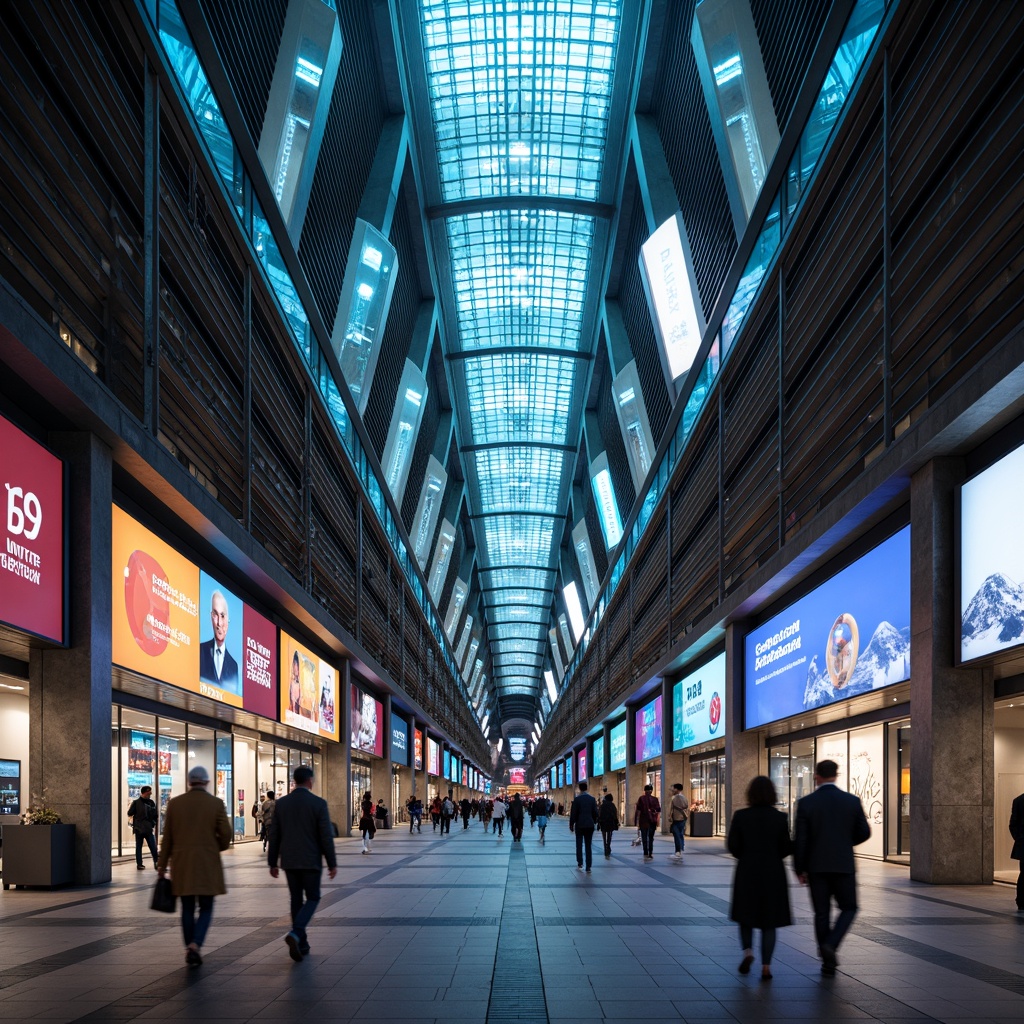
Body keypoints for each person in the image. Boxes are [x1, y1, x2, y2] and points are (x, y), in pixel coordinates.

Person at [793, 759, 871, 976]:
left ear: (816, 776)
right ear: (836, 775)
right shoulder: (851, 801)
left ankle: (827, 962)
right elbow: (864, 832)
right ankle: (831, 944)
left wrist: (799, 869)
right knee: (849, 907)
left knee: (821, 912)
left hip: (816, 867)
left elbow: (800, 840)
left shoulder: (806, 803)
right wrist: (845, 842)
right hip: (843, 864)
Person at [157, 765, 232, 967]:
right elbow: (226, 834)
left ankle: (189, 945)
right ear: (206, 782)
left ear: (190, 782)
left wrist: (162, 866)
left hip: (182, 865)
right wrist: (216, 847)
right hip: (207, 863)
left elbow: (167, 839)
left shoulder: (175, 804)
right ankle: (196, 944)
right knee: (206, 907)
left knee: (187, 907)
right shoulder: (215, 803)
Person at [267, 765, 337, 962]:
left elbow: (275, 834)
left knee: (296, 899)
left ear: (295, 781)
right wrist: (332, 863)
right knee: (313, 897)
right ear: (309, 781)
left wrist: (272, 862)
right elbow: (325, 836)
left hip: (289, 861)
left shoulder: (282, 803)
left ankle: (302, 943)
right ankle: (297, 933)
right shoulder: (318, 803)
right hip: (311, 860)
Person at [728, 776, 793, 981]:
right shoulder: (780, 818)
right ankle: (766, 967)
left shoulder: (741, 816)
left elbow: (732, 846)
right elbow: (786, 848)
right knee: (769, 922)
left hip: (747, 871)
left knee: (745, 916)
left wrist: (746, 855)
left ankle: (748, 952)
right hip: (773, 873)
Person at [198, 590, 239, 688]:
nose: (219, 623)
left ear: (228, 620)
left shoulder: (234, 666)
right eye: (215, 615)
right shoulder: (200, 651)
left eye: (223, 616)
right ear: (211, 617)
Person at [569, 781, 599, 872]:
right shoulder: (592, 799)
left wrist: (571, 824)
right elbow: (595, 813)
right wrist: (594, 821)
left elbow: (573, 813)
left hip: (580, 825)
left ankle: (580, 862)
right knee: (588, 845)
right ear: (587, 788)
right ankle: (588, 866)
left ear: (579, 788)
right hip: (589, 825)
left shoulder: (577, 799)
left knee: (579, 844)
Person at [127, 785, 158, 870]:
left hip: (148, 828)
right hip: (139, 829)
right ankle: (139, 864)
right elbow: (129, 813)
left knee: (153, 846)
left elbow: (155, 815)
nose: (150, 793)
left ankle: (156, 862)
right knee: (139, 847)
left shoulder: (151, 802)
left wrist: (153, 824)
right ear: (144, 792)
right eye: (149, 792)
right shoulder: (136, 802)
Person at [634, 784, 661, 861]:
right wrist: (657, 821)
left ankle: (645, 852)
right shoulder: (655, 799)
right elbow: (658, 810)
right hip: (652, 821)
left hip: (643, 820)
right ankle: (650, 852)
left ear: (644, 791)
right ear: (651, 791)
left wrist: (637, 822)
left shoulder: (641, 798)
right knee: (651, 837)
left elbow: (638, 811)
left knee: (644, 837)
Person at [1010, 790, 1024, 911]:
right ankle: (1021, 901)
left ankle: (1021, 901)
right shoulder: (1019, 801)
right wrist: (1020, 839)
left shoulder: (1018, 800)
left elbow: (1012, 824)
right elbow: (1013, 824)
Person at [668, 783, 689, 863]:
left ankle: (678, 852)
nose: (672, 790)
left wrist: (670, 817)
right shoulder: (684, 798)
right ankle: (680, 849)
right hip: (683, 818)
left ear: (677, 789)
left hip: (677, 819)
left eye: (673, 788)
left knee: (676, 835)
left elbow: (671, 809)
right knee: (680, 834)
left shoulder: (675, 798)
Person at [598, 793, 619, 858]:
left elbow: (599, 814)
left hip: (603, 823)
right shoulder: (612, 805)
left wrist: (598, 823)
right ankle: (608, 847)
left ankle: (605, 849)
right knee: (609, 836)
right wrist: (616, 822)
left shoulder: (602, 806)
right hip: (610, 823)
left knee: (604, 837)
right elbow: (615, 814)